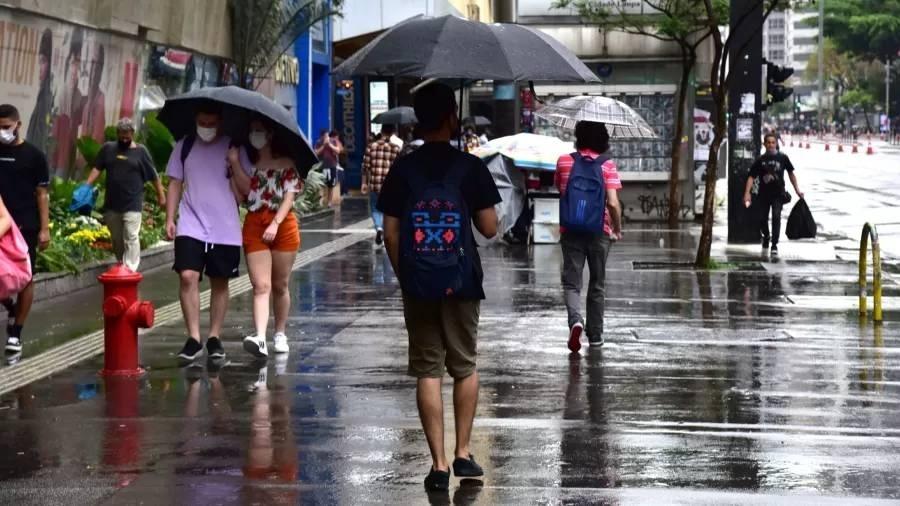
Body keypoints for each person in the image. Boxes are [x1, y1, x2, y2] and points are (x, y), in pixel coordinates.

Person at [377, 83, 501, 491]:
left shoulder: (403, 169)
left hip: (419, 283)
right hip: (461, 281)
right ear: (451, 117)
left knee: (427, 370)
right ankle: (464, 453)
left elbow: (391, 234)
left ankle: (438, 463)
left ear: (417, 120)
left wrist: (405, 277)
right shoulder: (470, 168)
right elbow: (488, 228)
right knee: (464, 365)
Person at [165, 100, 253, 365]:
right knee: (188, 276)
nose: (206, 128)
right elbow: (174, 183)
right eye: (201, 123)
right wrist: (170, 218)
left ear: (221, 122)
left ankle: (214, 337)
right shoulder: (185, 146)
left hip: (224, 227)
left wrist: (235, 163)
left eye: (211, 124)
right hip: (190, 223)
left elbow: (247, 190)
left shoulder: (234, 147)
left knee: (220, 281)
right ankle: (193, 338)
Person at [228, 116, 302, 358]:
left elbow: (289, 197)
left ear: (270, 134)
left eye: (259, 131)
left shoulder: (286, 163)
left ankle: (279, 333)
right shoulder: (249, 162)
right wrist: (234, 163)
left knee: (280, 285)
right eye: (252, 131)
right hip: (254, 223)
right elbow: (246, 192)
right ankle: (260, 337)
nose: (254, 135)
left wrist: (276, 223)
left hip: (282, 224)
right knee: (261, 285)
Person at [555, 121, 623, 352]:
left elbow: (561, 190)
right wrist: (617, 227)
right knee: (597, 284)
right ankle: (595, 335)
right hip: (599, 231)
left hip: (571, 229)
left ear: (578, 136)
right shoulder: (607, 165)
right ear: (603, 139)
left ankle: (575, 320)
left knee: (572, 283)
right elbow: (612, 203)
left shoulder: (564, 161)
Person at [0, 104, 51, 355]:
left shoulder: (34, 156)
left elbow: (42, 194)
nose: (2, 132)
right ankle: (9, 306)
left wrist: (44, 229)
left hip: (24, 226)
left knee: (25, 278)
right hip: (0, 224)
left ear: (18, 125)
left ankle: (16, 333)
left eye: (6, 127)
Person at [85, 118, 166, 271]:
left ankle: (130, 269)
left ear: (132, 134)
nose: (124, 138)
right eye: (121, 135)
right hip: (112, 204)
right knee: (116, 239)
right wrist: (86, 185)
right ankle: (122, 264)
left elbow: (153, 176)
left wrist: (161, 196)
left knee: (131, 236)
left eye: (127, 135)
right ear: (117, 133)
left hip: (132, 203)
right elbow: (97, 168)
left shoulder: (141, 152)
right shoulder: (108, 149)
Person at [743, 133, 804, 255]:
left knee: (776, 217)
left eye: (773, 142)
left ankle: (774, 244)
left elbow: (791, 174)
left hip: (778, 195)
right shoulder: (760, 160)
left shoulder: (783, 158)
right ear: (764, 144)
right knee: (762, 219)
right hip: (763, 195)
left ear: (776, 143)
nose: (771, 144)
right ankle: (766, 236)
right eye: (768, 142)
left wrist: (797, 189)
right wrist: (747, 193)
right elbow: (751, 177)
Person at [362, 123, 401, 248]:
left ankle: (379, 227)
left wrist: (364, 183)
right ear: (392, 133)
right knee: (387, 210)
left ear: (382, 131)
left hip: (375, 183)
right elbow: (399, 169)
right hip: (391, 186)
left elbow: (365, 167)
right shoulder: (396, 149)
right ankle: (385, 231)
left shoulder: (371, 147)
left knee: (375, 208)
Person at [27, 29, 54, 154]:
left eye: (43, 61)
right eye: (39, 62)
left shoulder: (47, 95)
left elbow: (41, 134)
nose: (40, 68)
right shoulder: (43, 93)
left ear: (50, 63)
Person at [314, 129, 342, 206]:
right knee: (320, 184)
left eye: (327, 135)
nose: (327, 137)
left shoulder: (333, 142)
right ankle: (320, 202)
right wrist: (323, 145)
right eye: (325, 136)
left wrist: (329, 145)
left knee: (331, 185)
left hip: (332, 166)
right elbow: (316, 152)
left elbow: (338, 151)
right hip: (321, 167)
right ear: (322, 137)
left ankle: (329, 202)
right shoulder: (319, 143)